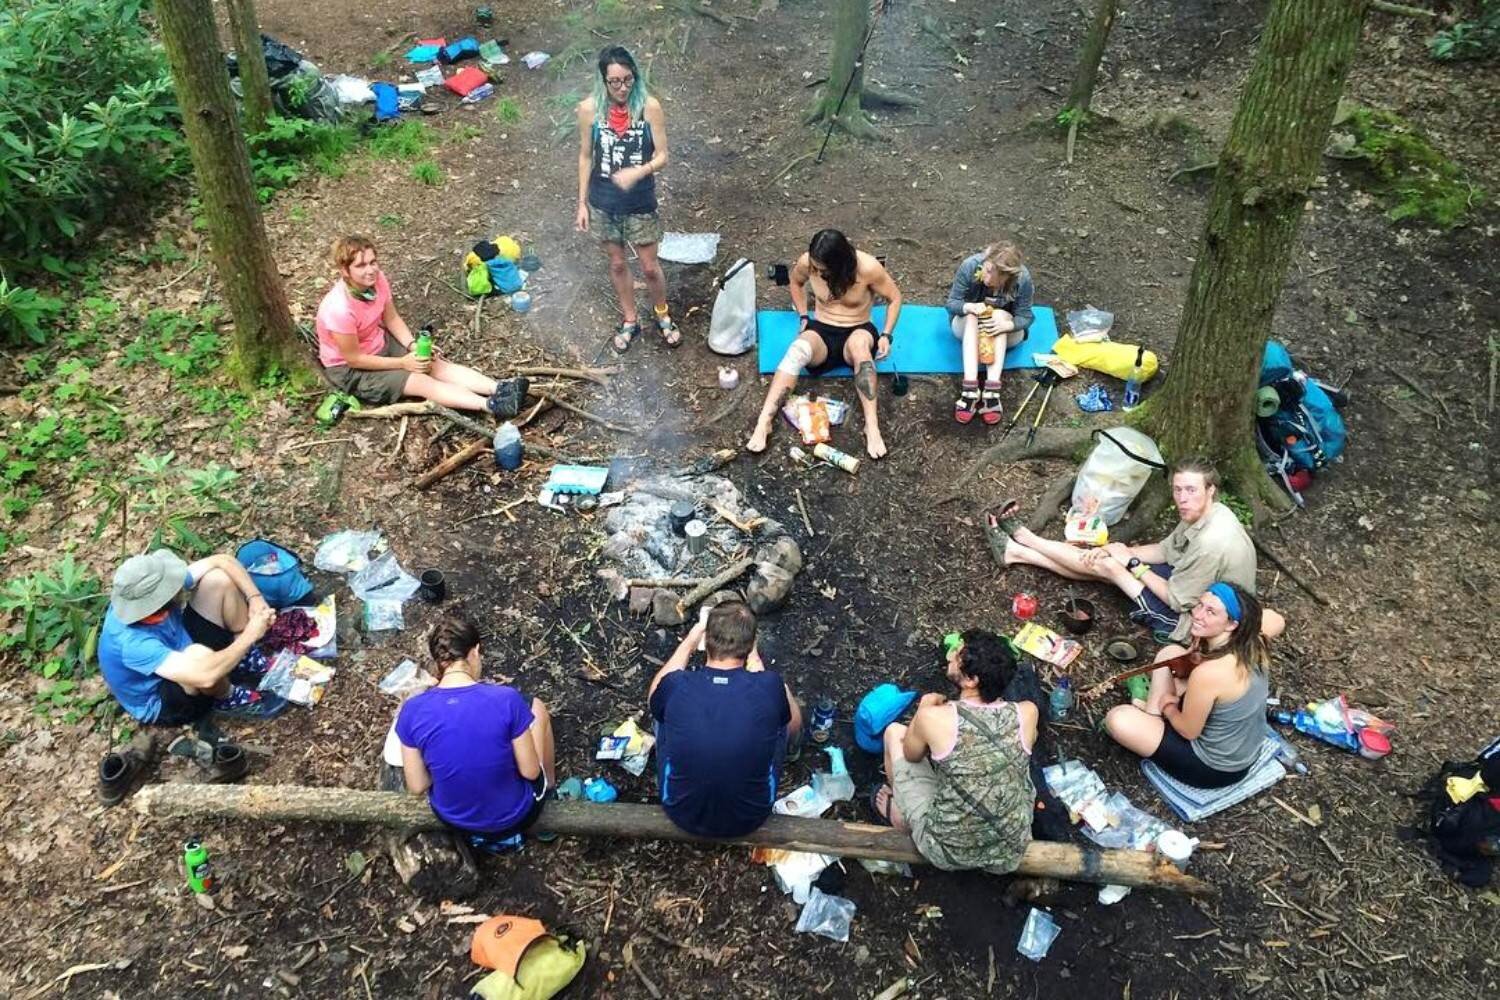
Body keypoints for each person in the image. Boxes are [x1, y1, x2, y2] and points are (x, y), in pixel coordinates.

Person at [989, 457, 1282, 642]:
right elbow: (1167, 551)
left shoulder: (1211, 544)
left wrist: (1130, 564)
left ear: (1210, 490)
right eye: (1178, 490)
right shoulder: (1206, 513)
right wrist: (1117, 549)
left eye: (1191, 490)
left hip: (1196, 620)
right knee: (1107, 558)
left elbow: (1177, 601)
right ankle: (1018, 550)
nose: (1182, 498)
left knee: (1110, 567)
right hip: (1193, 584)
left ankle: (1024, 539)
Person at [874, 630, 1037, 873]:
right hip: (1009, 851)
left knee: (894, 733)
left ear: (972, 680)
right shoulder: (1027, 712)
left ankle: (902, 815)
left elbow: (911, 754)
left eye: (957, 654)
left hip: (945, 850)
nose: (950, 656)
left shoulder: (933, 716)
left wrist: (923, 710)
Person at [396, 615, 556, 851]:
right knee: (538, 708)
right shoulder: (506, 700)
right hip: (514, 816)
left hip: (454, 821)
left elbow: (417, 785)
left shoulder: (412, 710)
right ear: (474, 652)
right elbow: (530, 772)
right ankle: (550, 787)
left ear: (439, 661)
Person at [648, 601, 803, 838]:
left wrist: (690, 640)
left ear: (706, 640)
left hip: (681, 810)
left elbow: (653, 697)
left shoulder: (677, 685)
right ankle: (792, 753)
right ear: (751, 645)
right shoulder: (769, 686)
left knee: (663, 708)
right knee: (779, 713)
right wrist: (757, 664)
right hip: (751, 816)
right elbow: (793, 725)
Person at [747, 229, 903, 459]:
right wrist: (803, 316)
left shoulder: (867, 268)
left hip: (858, 329)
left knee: (861, 350)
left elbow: (895, 297)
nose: (816, 272)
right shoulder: (808, 263)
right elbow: (796, 282)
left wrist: (886, 335)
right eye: (815, 267)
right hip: (822, 329)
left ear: (840, 264)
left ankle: (872, 426)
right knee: (796, 351)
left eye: (822, 270)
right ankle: (764, 421)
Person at [1104, 583, 1270, 788]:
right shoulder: (1253, 643)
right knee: (1170, 653)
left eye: (1211, 612)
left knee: (1119, 719)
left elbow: (1188, 731)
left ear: (1231, 624)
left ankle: (1153, 718)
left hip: (1214, 768)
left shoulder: (1210, 673)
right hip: (1242, 747)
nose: (1198, 615)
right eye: (1200, 605)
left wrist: (1169, 707)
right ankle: (1152, 718)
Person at [316, 235, 507, 413]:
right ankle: (491, 405)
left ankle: (499, 388)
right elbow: (354, 359)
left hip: (378, 342)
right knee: (420, 381)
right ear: (344, 271)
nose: (371, 270)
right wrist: (403, 363)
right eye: (361, 265)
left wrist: (413, 346)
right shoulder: (339, 309)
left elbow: (391, 318)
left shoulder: (377, 280)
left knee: (431, 363)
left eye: (373, 262)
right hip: (351, 370)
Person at [98, 549, 285, 723]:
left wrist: (255, 598)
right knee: (198, 654)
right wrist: (251, 634)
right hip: (165, 698)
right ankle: (228, 697)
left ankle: (243, 659)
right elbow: (205, 676)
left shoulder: (152, 594)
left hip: (179, 647)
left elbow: (222, 561)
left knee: (218, 580)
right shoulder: (131, 642)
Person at [574, 46, 678, 353]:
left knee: (649, 267)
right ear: (603, 81)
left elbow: (663, 156)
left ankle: (663, 314)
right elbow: (584, 156)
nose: (622, 88)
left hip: (640, 201)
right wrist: (581, 203)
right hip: (603, 201)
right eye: (615, 82)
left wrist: (638, 171)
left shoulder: (649, 107)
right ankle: (630, 319)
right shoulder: (589, 109)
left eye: (628, 80)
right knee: (618, 264)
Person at [944, 242, 1035, 424]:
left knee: (999, 316)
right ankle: (970, 389)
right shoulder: (970, 266)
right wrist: (969, 306)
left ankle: (992, 390)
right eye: (986, 269)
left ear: (1006, 276)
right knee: (972, 316)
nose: (987, 277)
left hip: (1006, 335)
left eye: (994, 275)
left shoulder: (1022, 279)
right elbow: (952, 303)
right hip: (967, 330)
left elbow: (1026, 317)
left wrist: (1007, 326)